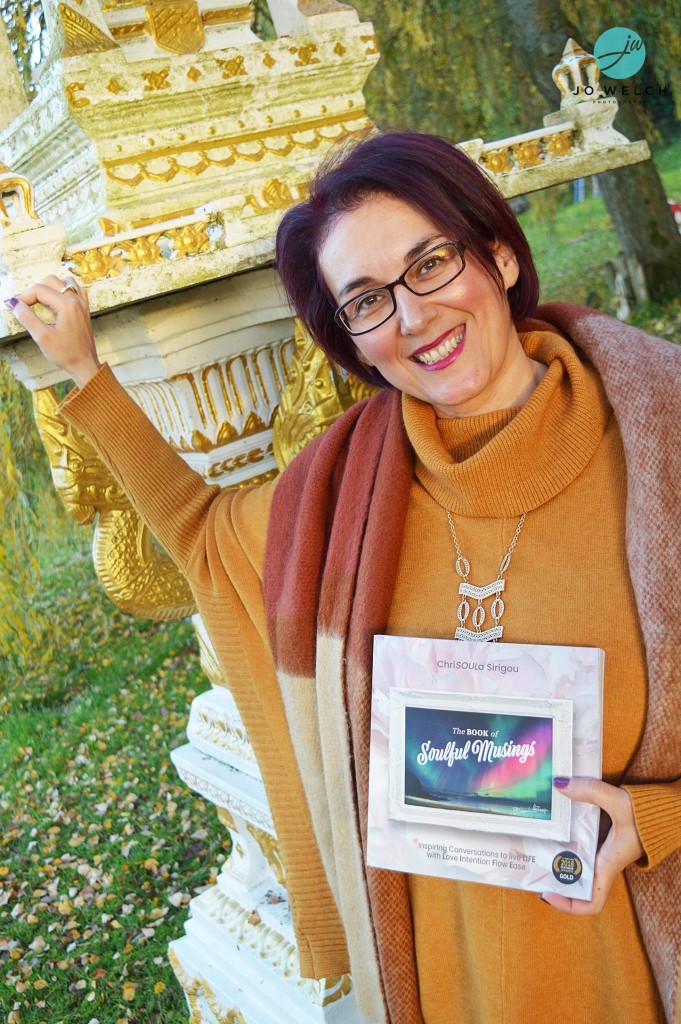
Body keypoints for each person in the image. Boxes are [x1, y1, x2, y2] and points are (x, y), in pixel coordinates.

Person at [5, 131, 680, 1024]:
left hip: (627, 969)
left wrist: (658, 820)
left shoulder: (658, 440)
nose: (411, 317)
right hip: (444, 975)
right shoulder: (342, 499)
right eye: (366, 300)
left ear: (502, 255)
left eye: (431, 262)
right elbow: (205, 536)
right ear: (351, 339)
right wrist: (87, 376)